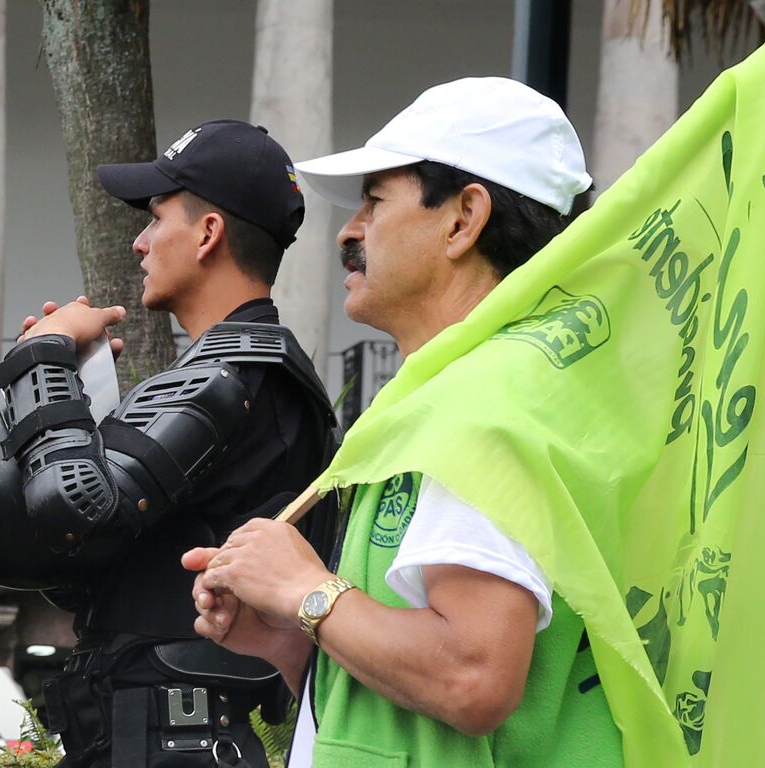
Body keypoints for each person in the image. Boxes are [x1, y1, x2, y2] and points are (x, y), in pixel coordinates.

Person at [185, 77, 619, 766]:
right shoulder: (463, 395)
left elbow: (473, 678)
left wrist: (308, 590)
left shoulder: (488, 402)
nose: (348, 232)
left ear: (462, 219)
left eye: (375, 201)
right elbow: (430, 695)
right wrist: (294, 636)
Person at [0, 119, 338, 767]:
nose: (141, 243)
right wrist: (64, 391)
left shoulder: (232, 372)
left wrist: (44, 360)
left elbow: (76, 507)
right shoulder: (241, 372)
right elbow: (97, 566)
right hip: (147, 734)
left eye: (155, 218)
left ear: (208, 235)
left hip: (169, 741)